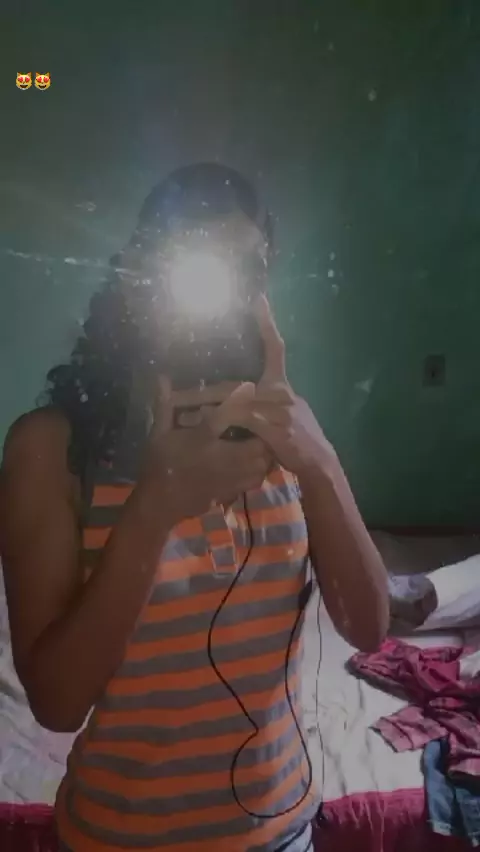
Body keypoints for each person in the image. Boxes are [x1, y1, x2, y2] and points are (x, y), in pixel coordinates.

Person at [0, 163, 389, 852]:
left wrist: (320, 461)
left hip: (284, 830)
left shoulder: (288, 433)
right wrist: (153, 509)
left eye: (248, 269)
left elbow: (367, 626)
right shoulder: (52, 449)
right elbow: (57, 704)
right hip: (118, 839)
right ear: (140, 280)